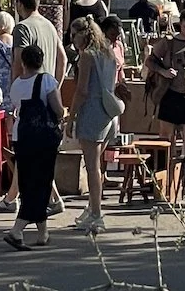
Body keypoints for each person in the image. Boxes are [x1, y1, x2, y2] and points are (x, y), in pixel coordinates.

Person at [0, 0, 68, 215]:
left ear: (19, 4)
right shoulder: (48, 24)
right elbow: (63, 57)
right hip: (46, 96)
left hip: (28, 97)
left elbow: (18, 61)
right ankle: (17, 198)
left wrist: (13, 96)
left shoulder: (22, 28)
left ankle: (15, 200)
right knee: (32, 155)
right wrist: (55, 85)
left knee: (26, 151)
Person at [2, 45, 64, 251]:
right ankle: (17, 229)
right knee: (42, 182)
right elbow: (58, 109)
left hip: (22, 136)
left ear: (23, 62)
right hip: (44, 137)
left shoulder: (16, 84)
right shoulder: (47, 80)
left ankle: (42, 232)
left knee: (29, 181)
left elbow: (16, 106)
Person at [146, 8, 185, 195]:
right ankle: (164, 177)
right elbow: (150, 61)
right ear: (180, 24)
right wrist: (163, 71)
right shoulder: (168, 42)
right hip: (170, 94)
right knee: (167, 138)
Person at [65, 18, 118, 233]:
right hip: (109, 114)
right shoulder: (108, 54)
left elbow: (82, 90)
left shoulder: (87, 56)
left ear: (82, 35)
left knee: (92, 167)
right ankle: (92, 208)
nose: (72, 40)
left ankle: (97, 214)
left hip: (92, 113)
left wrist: (71, 117)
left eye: (73, 35)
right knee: (96, 166)